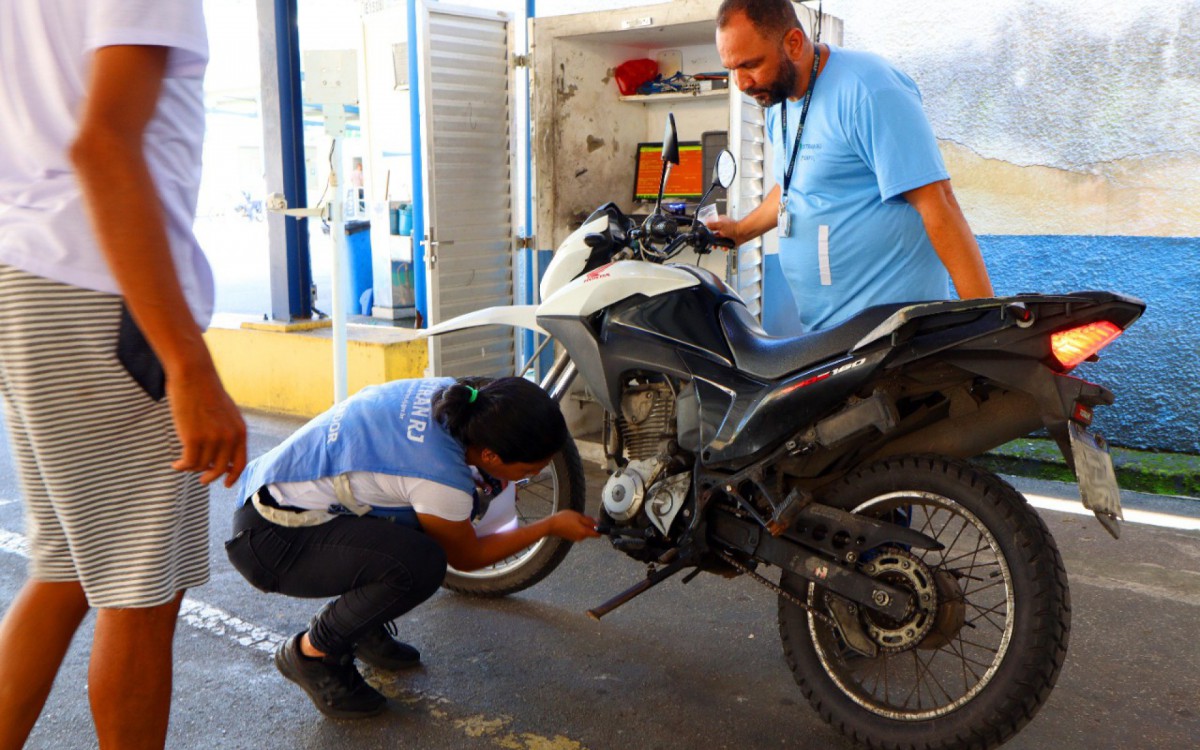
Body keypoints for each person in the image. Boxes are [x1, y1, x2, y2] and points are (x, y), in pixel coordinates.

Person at [0, 1, 246, 747]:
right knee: (142, 592)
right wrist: (187, 363)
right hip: (98, 286)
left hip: (28, 275)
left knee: (66, 568)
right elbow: (102, 146)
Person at [225, 376, 600, 719]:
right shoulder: (441, 477)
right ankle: (314, 652)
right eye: (528, 470)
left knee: (417, 525)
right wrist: (549, 526)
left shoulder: (453, 396)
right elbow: (468, 558)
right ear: (490, 456)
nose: (528, 477)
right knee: (421, 564)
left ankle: (360, 625)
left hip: (273, 487)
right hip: (271, 541)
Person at [710, 0, 993, 332]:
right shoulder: (778, 101)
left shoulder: (869, 90)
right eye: (732, 69)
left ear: (794, 43)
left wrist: (987, 327)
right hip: (827, 335)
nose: (741, 83)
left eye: (751, 64)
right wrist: (741, 231)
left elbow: (939, 203)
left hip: (894, 334)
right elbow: (796, 189)